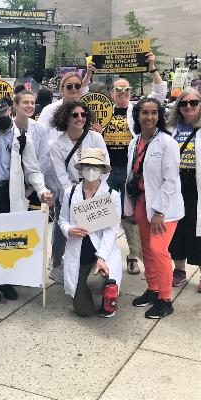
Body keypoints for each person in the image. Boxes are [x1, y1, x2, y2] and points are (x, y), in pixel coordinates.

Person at [92, 53, 167, 275]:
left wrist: (152, 67)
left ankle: (132, 256)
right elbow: (82, 97)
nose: (122, 93)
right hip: (106, 169)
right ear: (111, 93)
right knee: (104, 212)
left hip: (130, 170)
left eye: (125, 89)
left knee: (131, 214)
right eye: (118, 89)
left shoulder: (137, 110)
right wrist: (90, 72)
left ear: (130, 92)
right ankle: (103, 254)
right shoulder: (101, 110)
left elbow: (160, 93)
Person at [0, 99, 53, 302]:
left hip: (12, 193)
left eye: (3, 113)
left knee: (9, 239)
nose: (0, 119)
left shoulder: (23, 138)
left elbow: (33, 169)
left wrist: (42, 190)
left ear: (10, 110)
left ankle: (6, 280)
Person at [124, 97, 184, 319]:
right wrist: (129, 207)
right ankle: (153, 289)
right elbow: (133, 175)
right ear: (137, 115)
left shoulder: (167, 142)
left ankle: (165, 299)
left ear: (159, 116)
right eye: (144, 113)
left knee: (159, 251)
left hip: (164, 209)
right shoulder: (135, 141)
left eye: (153, 113)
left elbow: (171, 181)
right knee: (147, 250)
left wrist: (159, 212)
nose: (149, 117)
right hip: (141, 203)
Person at [48, 101, 109, 284]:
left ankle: (94, 266)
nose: (80, 118)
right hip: (68, 196)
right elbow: (61, 176)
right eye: (75, 115)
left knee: (96, 233)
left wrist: (95, 191)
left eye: (83, 114)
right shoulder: (57, 145)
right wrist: (77, 195)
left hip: (96, 193)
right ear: (65, 118)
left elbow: (105, 167)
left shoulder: (95, 138)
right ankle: (57, 264)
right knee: (63, 231)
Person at [59, 148, 122, 318]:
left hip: (100, 253)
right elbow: (62, 220)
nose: (91, 169)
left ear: (102, 169)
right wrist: (69, 230)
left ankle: (108, 296)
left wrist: (101, 257)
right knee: (83, 311)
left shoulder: (112, 195)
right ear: (81, 168)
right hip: (79, 254)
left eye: (95, 166)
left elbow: (111, 230)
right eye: (87, 165)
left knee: (95, 283)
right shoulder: (70, 193)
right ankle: (85, 289)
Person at [166, 88, 201, 290]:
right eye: (184, 103)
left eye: (193, 102)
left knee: (198, 228)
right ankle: (178, 269)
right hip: (176, 184)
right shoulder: (171, 129)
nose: (188, 106)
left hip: (197, 186)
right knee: (177, 227)